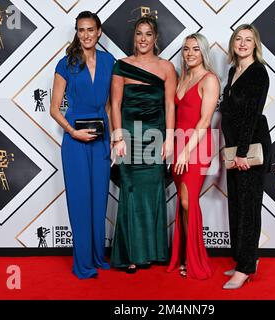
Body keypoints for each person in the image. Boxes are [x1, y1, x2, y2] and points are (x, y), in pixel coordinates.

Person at [110, 15, 177, 273]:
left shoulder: (166, 67)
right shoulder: (121, 66)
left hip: (155, 136)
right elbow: (115, 104)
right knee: (130, 193)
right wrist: (117, 138)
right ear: (134, 37)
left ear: (156, 38)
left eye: (148, 34)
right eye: (139, 33)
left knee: (152, 194)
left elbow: (169, 104)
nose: (143, 39)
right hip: (128, 135)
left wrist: (169, 137)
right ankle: (131, 254)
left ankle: (152, 251)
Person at [50, 11, 115, 279]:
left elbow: (111, 104)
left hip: (101, 138)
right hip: (75, 141)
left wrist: (111, 139)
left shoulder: (110, 61)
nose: (86, 35)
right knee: (80, 201)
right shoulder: (66, 64)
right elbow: (54, 109)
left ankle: (98, 257)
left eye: (90, 29)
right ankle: (83, 263)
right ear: (77, 33)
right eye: (81, 30)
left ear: (99, 32)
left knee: (99, 201)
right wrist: (72, 132)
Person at [220, 24, 271, 289]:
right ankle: (244, 258)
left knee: (249, 209)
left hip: (250, 150)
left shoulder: (258, 73)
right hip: (234, 150)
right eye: (238, 39)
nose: (242, 43)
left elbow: (252, 114)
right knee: (238, 207)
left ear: (255, 44)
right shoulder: (232, 71)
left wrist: (241, 153)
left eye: (248, 39)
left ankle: (245, 268)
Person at [167, 33, 220, 280]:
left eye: (196, 49)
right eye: (186, 49)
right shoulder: (183, 77)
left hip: (196, 146)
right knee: (182, 202)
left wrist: (186, 151)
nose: (190, 53)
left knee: (188, 202)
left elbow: (205, 120)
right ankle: (185, 255)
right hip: (178, 143)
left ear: (204, 53)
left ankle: (194, 259)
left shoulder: (209, 80)